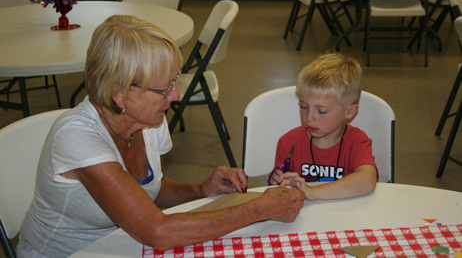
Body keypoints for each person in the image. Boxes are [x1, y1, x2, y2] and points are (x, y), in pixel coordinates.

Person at [16, 15, 304, 258]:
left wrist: (201, 190)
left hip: (124, 244)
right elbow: (158, 231)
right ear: (119, 94)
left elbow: (154, 189)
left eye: (174, 82)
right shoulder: (76, 137)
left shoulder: (148, 119)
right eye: (163, 89)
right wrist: (260, 209)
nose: (175, 96)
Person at [268, 53, 377, 201]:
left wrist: (313, 192)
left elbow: (367, 180)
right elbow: (280, 191)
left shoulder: (357, 141)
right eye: (304, 107)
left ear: (349, 111)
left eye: (322, 111)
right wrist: (277, 181)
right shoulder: (288, 142)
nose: (309, 118)